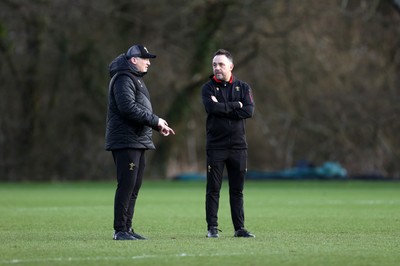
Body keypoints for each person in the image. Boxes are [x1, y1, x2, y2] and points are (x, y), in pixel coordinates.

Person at [105, 44, 175, 240]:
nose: (149, 63)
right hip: (126, 140)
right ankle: (119, 230)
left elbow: (138, 109)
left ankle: (127, 228)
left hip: (137, 139)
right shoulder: (123, 78)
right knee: (126, 185)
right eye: (145, 59)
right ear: (134, 60)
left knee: (134, 186)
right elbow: (127, 108)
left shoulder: (134, 79)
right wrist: (156, 120)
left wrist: (156, 124)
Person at [201, 49, 255, 238]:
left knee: (237, 190)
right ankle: (212, 228)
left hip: (239, 147)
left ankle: (239, 228)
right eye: (214, 64)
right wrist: (235, 105)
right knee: (213, 189)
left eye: (221, 64)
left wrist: (224, 107)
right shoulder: (207, 88)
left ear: (231, 66)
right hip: (216, 146)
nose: (217, 68)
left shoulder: (244, 87)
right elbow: (211, 108)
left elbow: (248, 111)